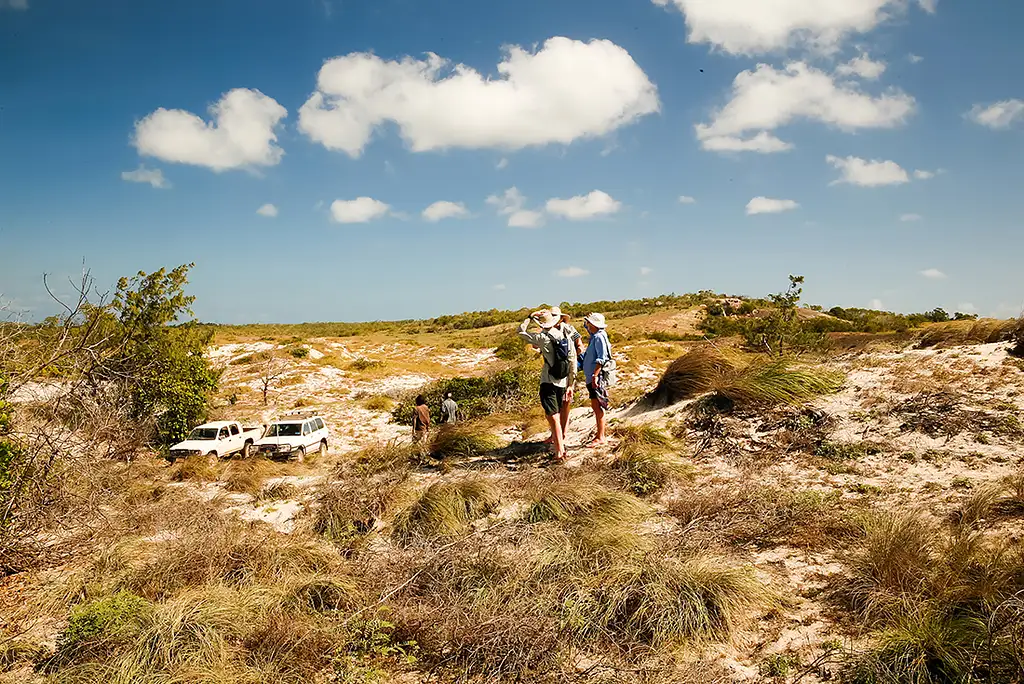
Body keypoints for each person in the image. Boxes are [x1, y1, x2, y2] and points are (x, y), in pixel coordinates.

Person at [519, 309, 572, 461]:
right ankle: (561, 447)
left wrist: (529, 318)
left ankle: (560, 451)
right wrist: (571, 382)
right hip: (562, 380)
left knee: (553, 417)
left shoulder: (542, 338)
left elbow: (521, 332)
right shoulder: (563, 335)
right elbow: (570, 358)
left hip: (548, 380)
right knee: (558, 414)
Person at [547, 307, 582, 442]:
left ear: (561, 318)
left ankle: (563, 432)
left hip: (567, 369)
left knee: (566, 401)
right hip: (555, 370)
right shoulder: (547, 331)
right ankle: (556, 434)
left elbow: (579, 344)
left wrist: (573, 356)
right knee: (555, 402)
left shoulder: (569, 329)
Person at [582, 313, 612, 447]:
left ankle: (601, 436)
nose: (588, 325)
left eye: (589, 323)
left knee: (597, 406)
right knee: (596, 405)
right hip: (592, 376)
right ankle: (600, 435)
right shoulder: (596, 334)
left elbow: (602, 358)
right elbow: (588, 329)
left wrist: (595, 375)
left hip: (595, 377)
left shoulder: (599, 337)